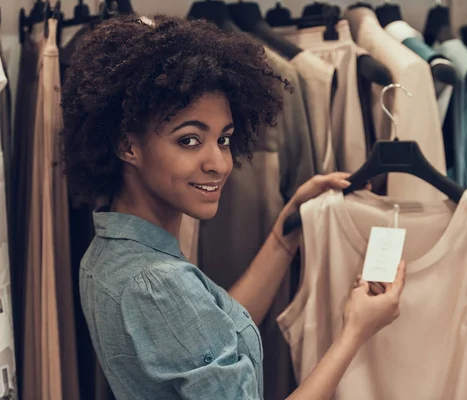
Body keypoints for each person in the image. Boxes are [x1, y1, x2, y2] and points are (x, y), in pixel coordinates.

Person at [61, 14, 407, 400]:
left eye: (224, 139)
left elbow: (210, 332)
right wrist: (355, 331)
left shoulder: (108, 252)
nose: (219, 163)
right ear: (128, 146)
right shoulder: (158, 285)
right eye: (190, 140)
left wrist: (284, 232)